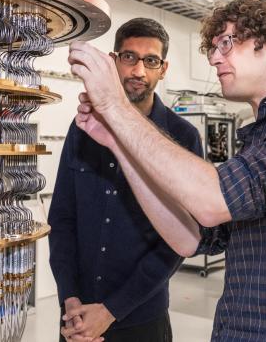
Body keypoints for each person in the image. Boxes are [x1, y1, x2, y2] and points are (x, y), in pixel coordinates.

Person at [66, 0, 266, 341]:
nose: (215, 58)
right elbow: (191, 239)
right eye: (213, 48)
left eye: (227, 43)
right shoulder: (259, 140)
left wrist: (114, 104)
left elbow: (213, 200)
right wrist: (116, 142)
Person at [49, 18, 203, 342]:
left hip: (141, 319)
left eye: (151, 61)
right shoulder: (83, 128)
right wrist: (70, 297)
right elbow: (62, 219)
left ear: (164, 68)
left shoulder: (182, 137)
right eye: (129, 57)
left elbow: (177, 244)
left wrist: (111, 310)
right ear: (114, 61)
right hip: (76, 319)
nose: (138, 72)